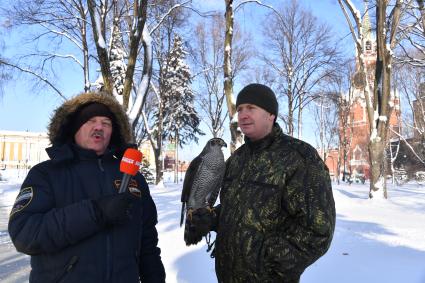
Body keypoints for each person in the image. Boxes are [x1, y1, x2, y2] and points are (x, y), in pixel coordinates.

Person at [8, 91, 165, 282]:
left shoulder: (133, 178)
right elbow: (25, 234)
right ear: (74, 128)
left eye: (106, 123)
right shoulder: (46, 174)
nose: (99, 126)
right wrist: (95, 212)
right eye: (90, 120)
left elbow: (147, 242)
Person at [188, 83, 336, 283]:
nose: (243, 115)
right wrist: (213, 218)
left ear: (271, 115)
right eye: (240, 109)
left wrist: (268, 260)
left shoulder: (299, 157)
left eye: (251, 108)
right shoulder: (236, 159)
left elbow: (318, 231)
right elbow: (240, 208)